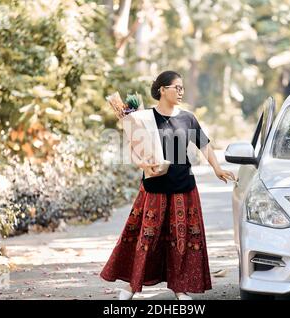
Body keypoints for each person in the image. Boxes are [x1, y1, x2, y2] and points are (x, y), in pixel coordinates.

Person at [100, 70, 236, 300]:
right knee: (146, 238)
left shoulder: (188, 117)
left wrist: (217, 168)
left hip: (183, 187)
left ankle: (179, 289)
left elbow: (204, 145)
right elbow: (134, 149)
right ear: (162, 90)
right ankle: (131, 287)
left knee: (181, 240)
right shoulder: (143, 118)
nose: (181, 92)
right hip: (154, 188)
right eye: (177, 87)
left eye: (182, 88)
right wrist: (143, 164)